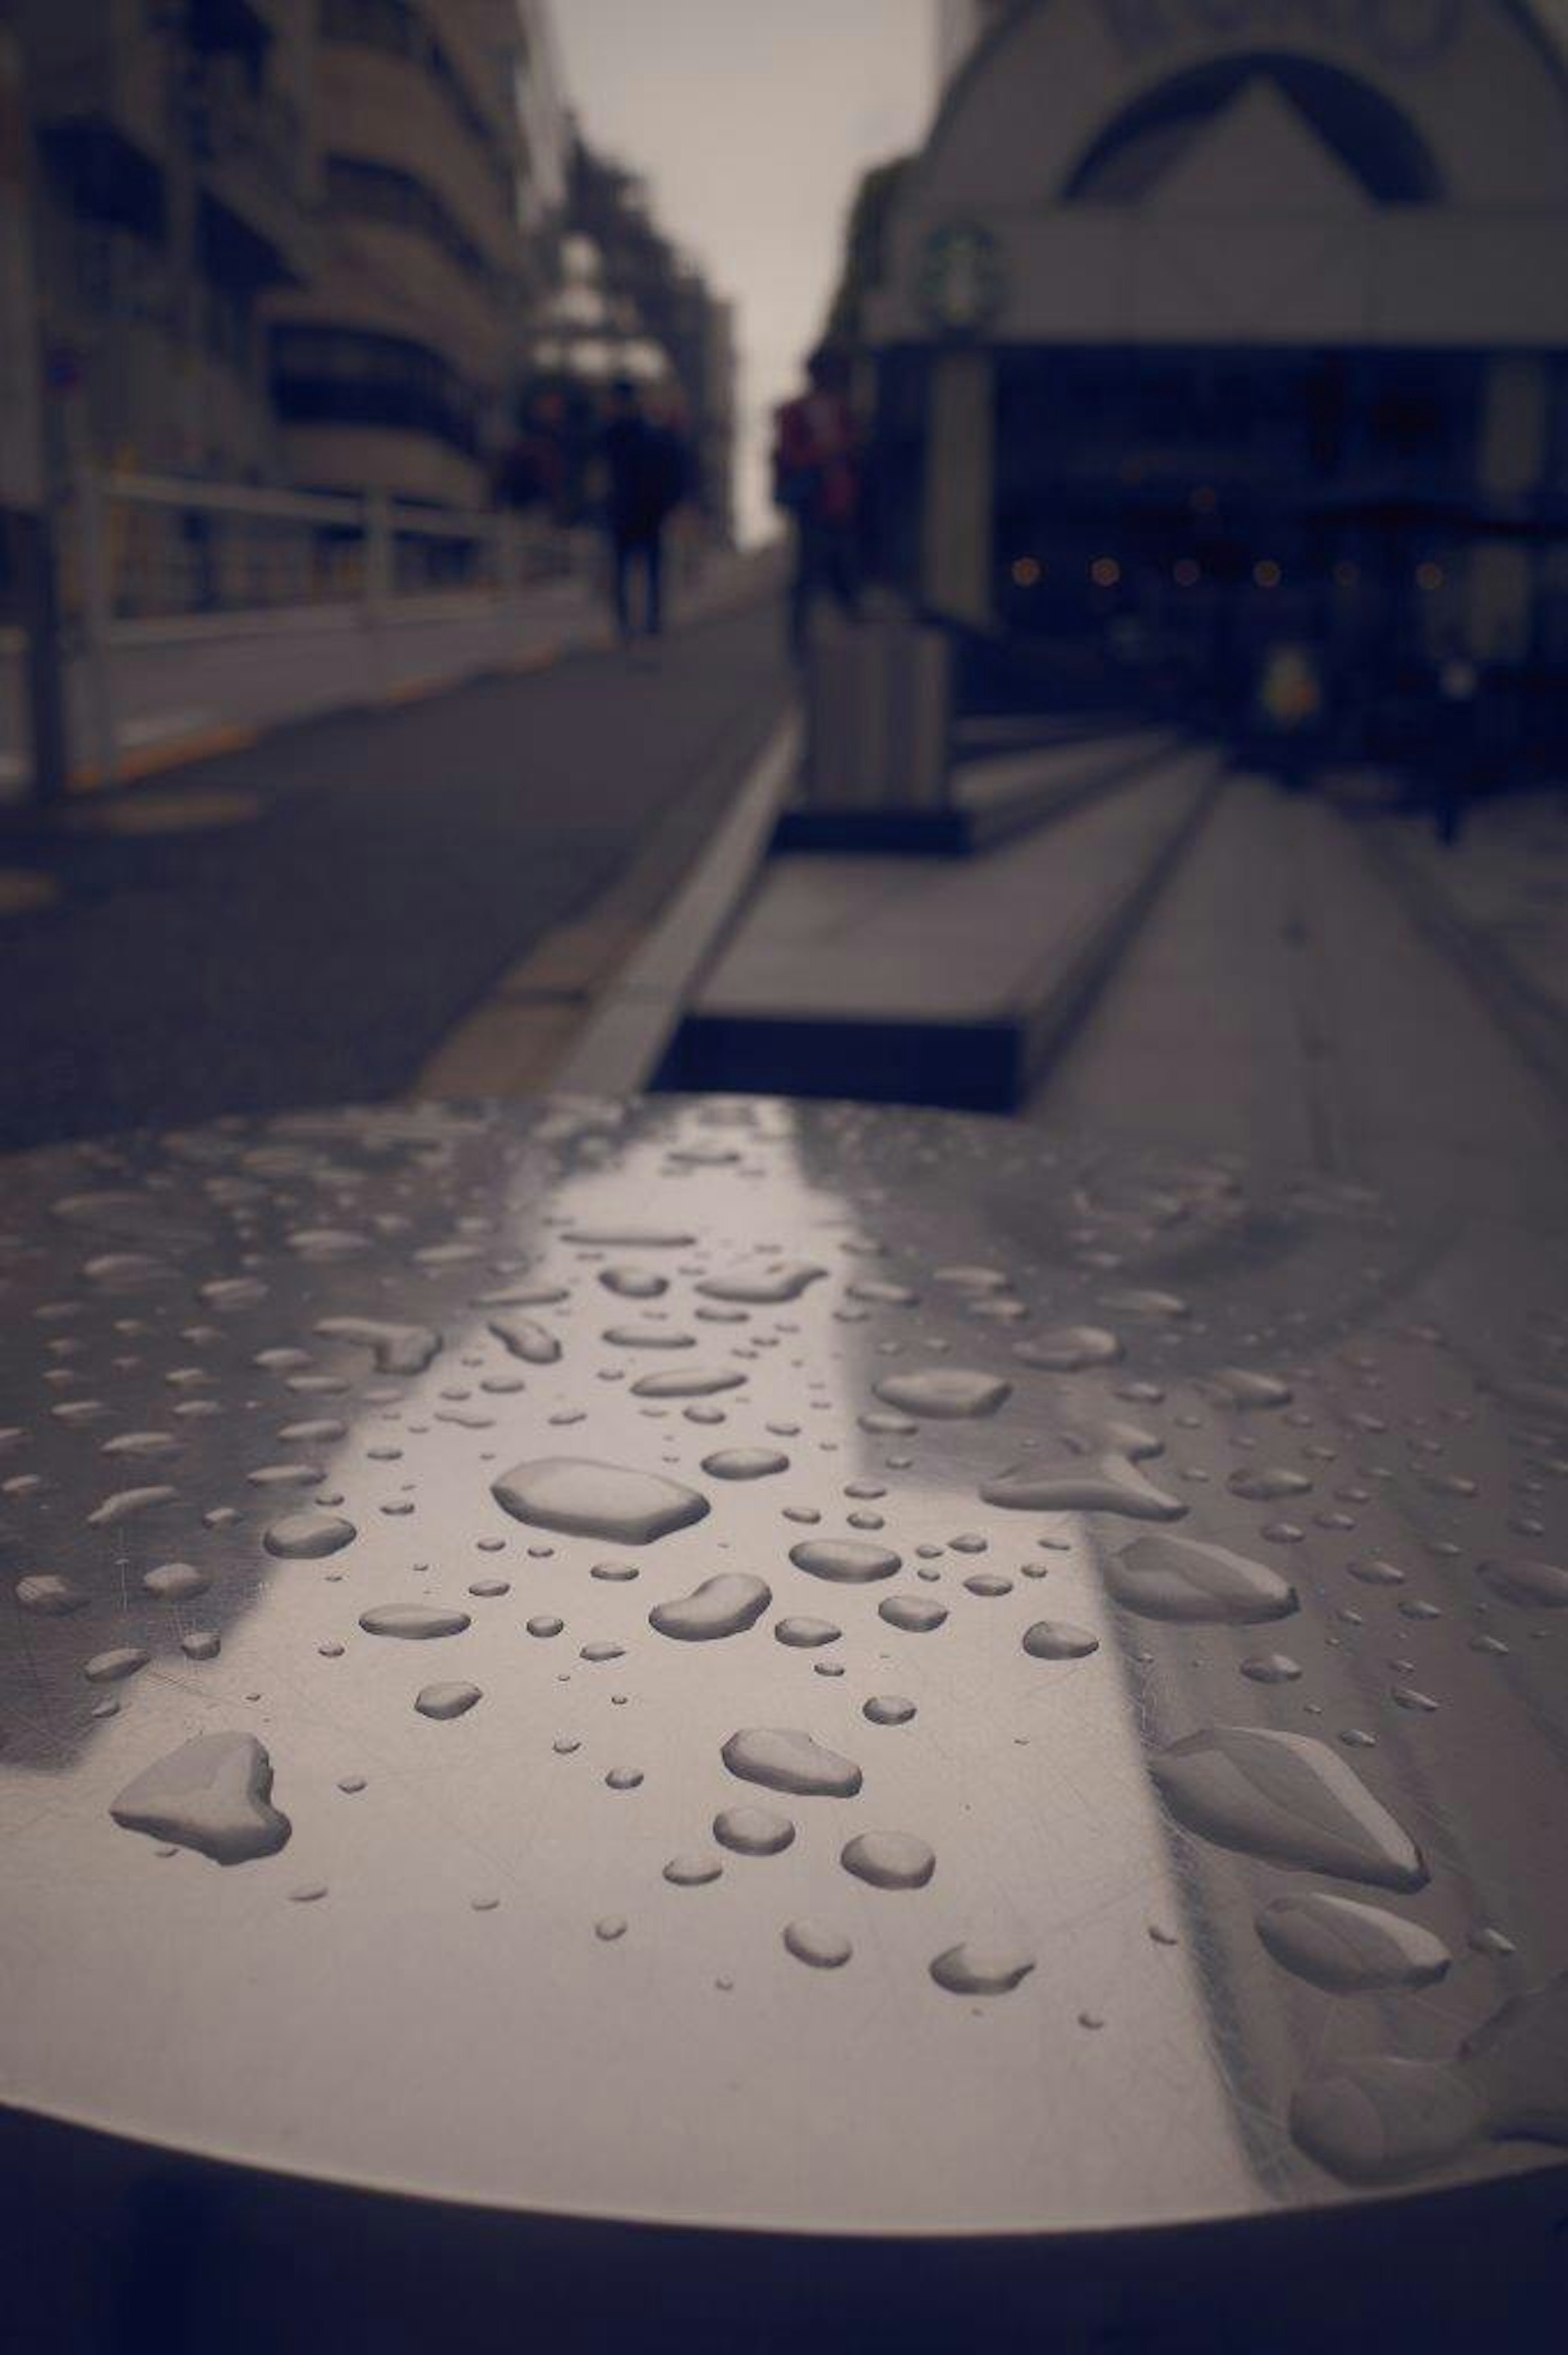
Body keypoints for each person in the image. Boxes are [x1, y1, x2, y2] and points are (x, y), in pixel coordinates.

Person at [773, 346, 861, 662]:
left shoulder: (843, 409)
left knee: (841, 567)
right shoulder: (794, 411)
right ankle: (799, 644)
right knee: (809, 572)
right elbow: (788, 454)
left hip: (839, 499)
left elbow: (854, 448)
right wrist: (822, 453)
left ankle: (850, 634)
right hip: (811, 501)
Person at [595, 376, 688, 646]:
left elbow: (672, 470)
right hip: (638, 509)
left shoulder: (626, 434)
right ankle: (643, 621)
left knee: (636, 566)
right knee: (639, 567)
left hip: (640, 509)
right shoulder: (625, 433)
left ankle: (638, 621)